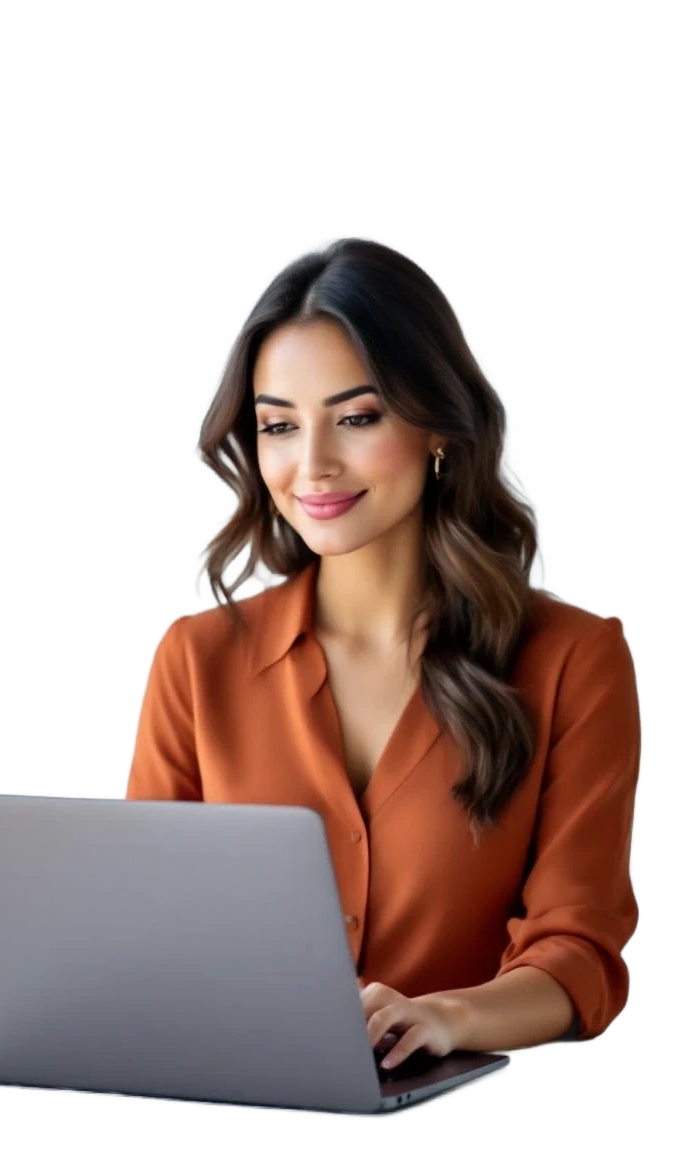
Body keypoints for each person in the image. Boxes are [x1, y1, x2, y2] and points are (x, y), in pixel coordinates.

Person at [122, 234, 641, 1071]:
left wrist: (446, 1018)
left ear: (437, 424)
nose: (313, 466)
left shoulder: (575, 659)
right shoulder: (195, 659)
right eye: (279, 426)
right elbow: (140, 927)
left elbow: (578, 957)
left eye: (358, 418)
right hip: (235, 1091)